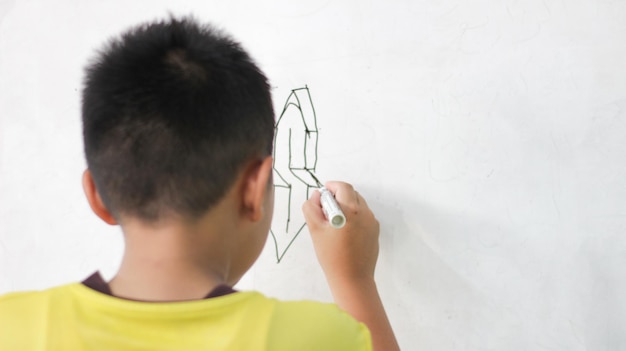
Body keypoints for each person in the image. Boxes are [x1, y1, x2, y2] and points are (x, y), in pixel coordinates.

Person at [0, 16, 400, 351]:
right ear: (255, 189)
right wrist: (353, 280)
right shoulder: (313, 338)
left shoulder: (12, 329)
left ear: (97, 196)